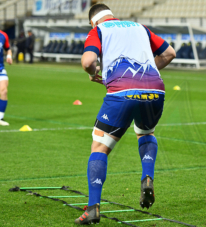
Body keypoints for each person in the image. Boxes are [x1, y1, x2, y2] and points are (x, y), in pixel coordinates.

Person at [74, 3, 176, 225]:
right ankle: (147, 177)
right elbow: (169, 53)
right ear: (111, 15)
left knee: (99, 146)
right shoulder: (140, 27)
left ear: (93, 21)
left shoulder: (98, 31)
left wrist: (94, 73)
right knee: (146, 131)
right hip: (155, 91)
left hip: (122, 93)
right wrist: (148, 74)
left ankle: (93, 208)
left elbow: (88, 61)